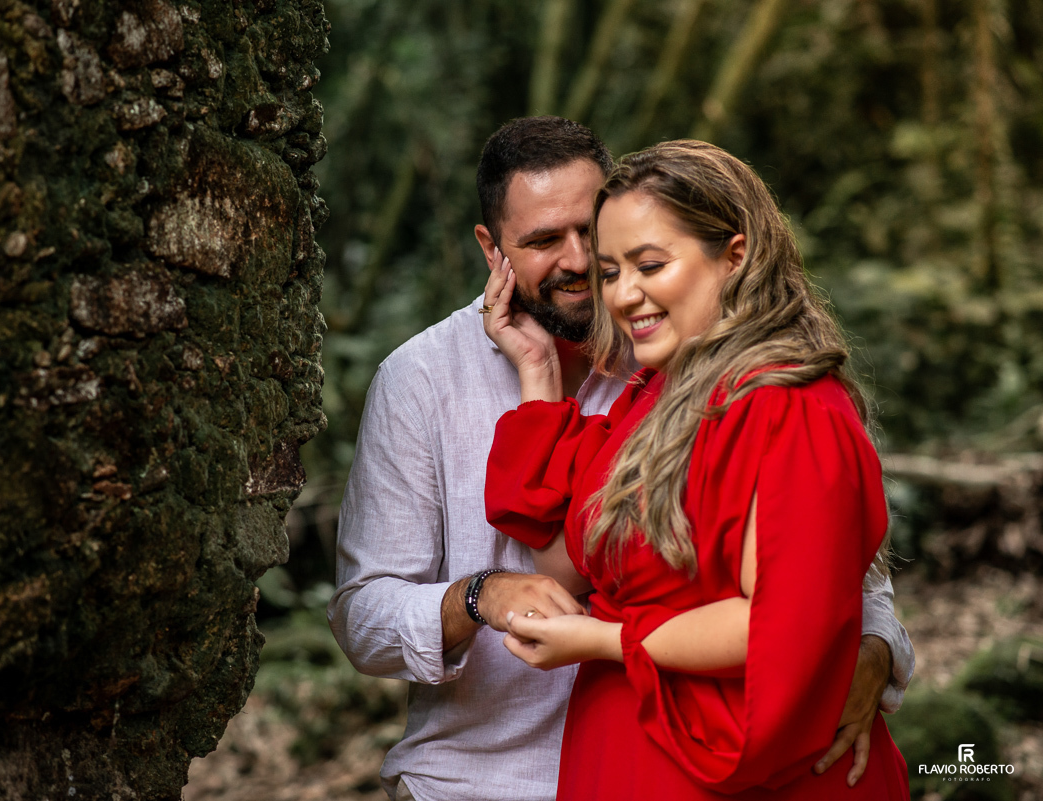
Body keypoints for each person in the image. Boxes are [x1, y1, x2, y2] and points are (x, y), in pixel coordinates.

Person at [328, 117, 913, 801]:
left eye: (600, 239)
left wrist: (876, 651)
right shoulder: (425, 379)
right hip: (481, 775)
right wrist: (478, 595)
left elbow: (828, 580)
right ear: (493, 249)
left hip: (706, 758)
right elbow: (369, 613)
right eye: (548, 241)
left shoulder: (688, 357)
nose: (585, 267)